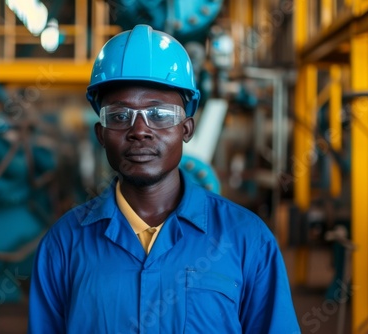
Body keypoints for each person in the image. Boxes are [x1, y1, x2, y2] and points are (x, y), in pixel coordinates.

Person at [28, 24, 301, 334]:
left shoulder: (247, 241)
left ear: (186, 130)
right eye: (119, 116)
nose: (140, 130)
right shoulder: (63, 245)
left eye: (160, 114)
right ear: (101, 135)